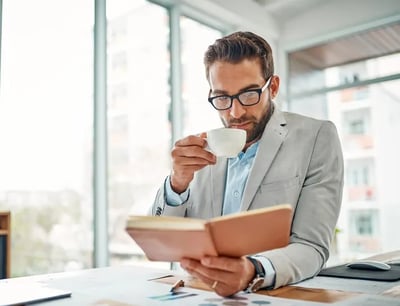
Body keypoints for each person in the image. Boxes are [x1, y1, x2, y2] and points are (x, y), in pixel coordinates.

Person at [150, 31, 344, 297]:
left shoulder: (315, 137)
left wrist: (254, 270)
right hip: (195, 295)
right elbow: (163, 241)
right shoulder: (200, 149)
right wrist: (177, 183)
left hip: (272, 296)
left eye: (249, 94)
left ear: (272, 87)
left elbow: (312, 246)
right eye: (222, 98)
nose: (235, 112)